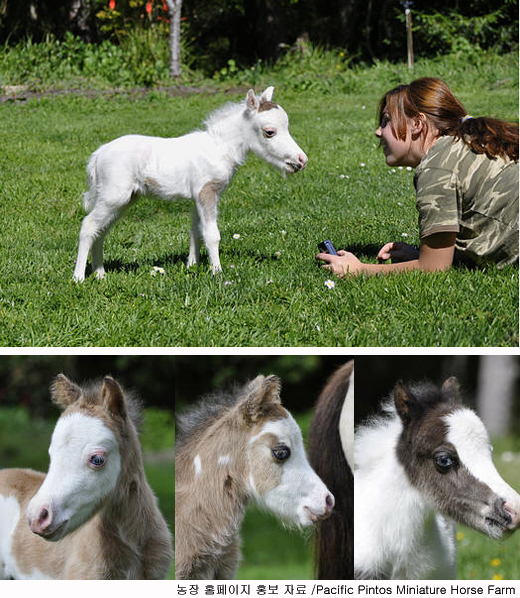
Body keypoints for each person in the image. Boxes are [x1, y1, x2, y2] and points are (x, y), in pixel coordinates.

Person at [317, 77, 519, 277]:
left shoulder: (437, 168)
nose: (378, 132)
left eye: (387, 120)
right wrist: (418, 254)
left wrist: (359, 270)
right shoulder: (464, 145)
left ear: (417, 124)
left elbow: (434, 268)